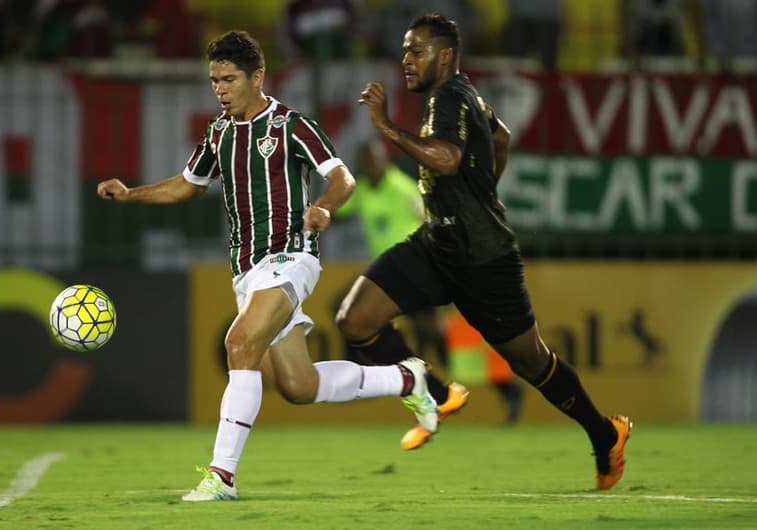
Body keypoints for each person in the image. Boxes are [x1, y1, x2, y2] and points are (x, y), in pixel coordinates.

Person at [97, 30, 438, 501]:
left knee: (239, 342)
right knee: (299, 385)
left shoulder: (291, 126)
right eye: (214, 80)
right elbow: (189, 185)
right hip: (248, 269)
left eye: (229, 79)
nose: (220, 88)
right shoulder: (218, 131)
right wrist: (130, 194)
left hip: (291, 256)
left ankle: (222, 476)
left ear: (257, 76)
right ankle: (405, 377)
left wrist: (323, 208)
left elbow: (343, 177)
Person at [338, 13, 631, 489]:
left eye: (417, 50)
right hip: (438, 242)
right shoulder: (464, 95)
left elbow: (448, 159)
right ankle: (438, 394)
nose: (406, 60)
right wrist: (484, 191)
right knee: (356, 320)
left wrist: (386, 127)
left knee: (531, 362)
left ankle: (605, 435)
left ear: (446, 54)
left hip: (484, 258)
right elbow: (502, 137)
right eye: (405, 50)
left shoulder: (450, 96)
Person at [334, 138, 471, 450]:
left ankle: (492, 389)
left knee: (437, 336)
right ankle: (425, 387)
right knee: (349, 314)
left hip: (412, 275)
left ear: (384, 161)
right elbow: (341, 210)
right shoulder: (365, 190)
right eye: (365, 162)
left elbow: (429, 220)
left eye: (373, 160)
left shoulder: (403, 188)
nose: (369, 167)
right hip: (384, 280)